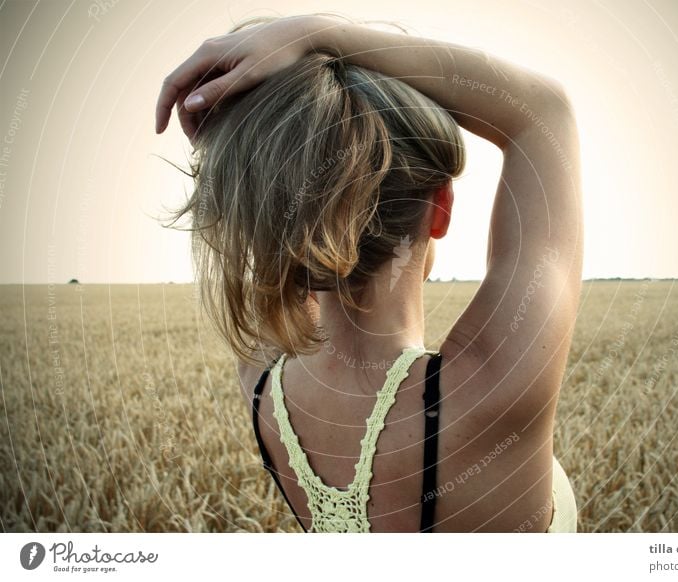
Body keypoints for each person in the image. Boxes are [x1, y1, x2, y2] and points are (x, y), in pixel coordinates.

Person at [156, 13, 583, 532]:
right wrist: (316, 34)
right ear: (441, 208)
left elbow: (272, 219)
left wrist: (242, 136)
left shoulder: (261, 376)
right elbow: (543, 111)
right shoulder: (492, 385)